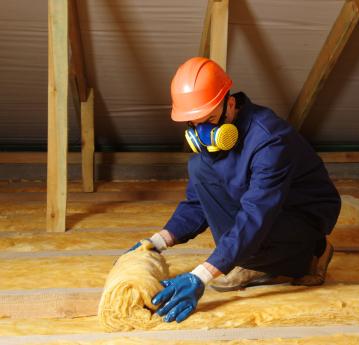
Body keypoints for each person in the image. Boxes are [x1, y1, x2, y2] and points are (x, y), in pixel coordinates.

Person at [129, 57, 341, 323]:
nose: (202, 131)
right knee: (199, 169)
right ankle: (254, 261)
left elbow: (256, 215)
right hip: (265, 210)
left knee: (247, 239)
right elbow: (198, 203)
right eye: (193, 124)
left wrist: (201, 276)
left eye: (209, 119)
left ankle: (313, 254)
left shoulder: (269, 140)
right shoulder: (213, 144)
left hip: (300, 215)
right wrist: (155, 243)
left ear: (229, 104)